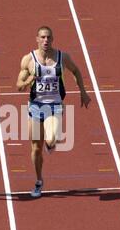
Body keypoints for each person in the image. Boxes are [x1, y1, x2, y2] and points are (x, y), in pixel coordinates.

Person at [16, 26, 91, 198]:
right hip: (35, 106)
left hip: (55, 106)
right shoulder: (28, 59)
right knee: (36, 149)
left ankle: (52, 143)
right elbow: (18, 85)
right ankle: (39, 181)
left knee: (50, 140)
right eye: (42, 37)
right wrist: (30, 79)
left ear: (53, 39)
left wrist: (83, 92)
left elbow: (76, 71)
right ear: (37, 39)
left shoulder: (62, 57)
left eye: (48, 37)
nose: (45, 40)